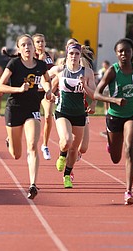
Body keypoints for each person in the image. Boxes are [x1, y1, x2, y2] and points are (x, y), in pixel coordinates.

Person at [94, 38, 133, 205]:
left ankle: (128, 191)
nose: (124, 54)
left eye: (127, 51)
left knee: (130, 149)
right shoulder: (112, 71)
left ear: (132, 53)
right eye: (121, 51)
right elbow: (97, 94)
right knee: (116, 158)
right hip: (114, 115)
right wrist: (114, 100)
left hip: (132, 114)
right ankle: (111, 144)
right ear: (116, 54)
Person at [0, 34, 54, 199]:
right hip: (14, 109)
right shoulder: (13, 64)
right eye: (24, 45)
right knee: (16, 154)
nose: (27, 47)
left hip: (32, 109)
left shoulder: (41, 65)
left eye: (29, 44)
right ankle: (10, 140)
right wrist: (19, 89)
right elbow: (0, 86)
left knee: (32, 145)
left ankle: (33, 184)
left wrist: (49, 90)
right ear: (19, 48)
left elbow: (46, 80)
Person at [51, 42, 96, 188]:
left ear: (80, 55)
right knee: (66, 140)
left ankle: (67, 176)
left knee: (74, 149)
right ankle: (61, 155)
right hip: (62, 111)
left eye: (77, 54)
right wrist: (48, 93)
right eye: (71, 53)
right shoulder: (60, 71)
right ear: (67, 54)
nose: (74, 56)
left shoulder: (87, 73)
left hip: (79, 114)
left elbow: (94, 94)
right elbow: (47, 83)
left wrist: (85, 87)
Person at [32, 33, 55, 160]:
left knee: (48, 116)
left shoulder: (49, 56)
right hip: (34, 91)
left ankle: (45, 145)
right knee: (25, 116)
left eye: (42, 41)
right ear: (34, 44)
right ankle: (12, 135)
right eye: (38, 42)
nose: (40, 44)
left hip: (46, 91)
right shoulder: (31, 56)